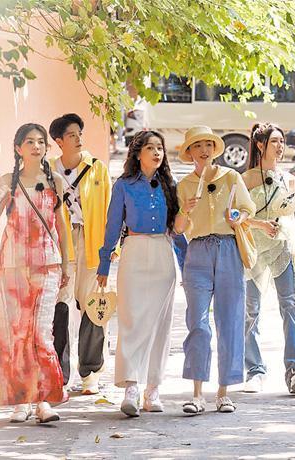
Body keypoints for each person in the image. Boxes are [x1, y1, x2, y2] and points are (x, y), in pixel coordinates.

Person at [0, 123, 70, 423]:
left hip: (47, 263)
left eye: (41, 141)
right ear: (19, 148)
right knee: (16, 334)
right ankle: (21, 400)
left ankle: (43, 400)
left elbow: (61, 226)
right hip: (13, 265)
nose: (37, 146)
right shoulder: (8, 182)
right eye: (30, 141)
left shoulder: (55, 181)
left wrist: (67, 264)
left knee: (42, 333)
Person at [96, 130, 184, 417]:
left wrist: (188, 266)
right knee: (131, 320)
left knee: (160, 325)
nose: (157, 152)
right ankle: (130, 387)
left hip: (162, 252)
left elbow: (178, 229)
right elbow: (112, 225)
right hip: (133, 250)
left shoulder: (169, 184)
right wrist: (104, 265)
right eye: (150, 147)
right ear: (137, 153)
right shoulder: (123, 185)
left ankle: (153, 389)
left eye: (160, 148)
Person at [175, 126, 256, 414]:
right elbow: (178, 229)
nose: (205, 150)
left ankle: (223, 392)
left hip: (228, 249)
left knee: (230, 319)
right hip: (196, 252)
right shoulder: (184, 185)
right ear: (190, 152)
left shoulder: (231, 177)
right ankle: (197, 393)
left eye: (209, 144)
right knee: (197, 321)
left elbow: (248, 208)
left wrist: (238, 217)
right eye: (198, 145)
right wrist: (185, 209)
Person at [241, 123, 295, 394]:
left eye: (282, 141)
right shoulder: (246, 179)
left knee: (289, 307)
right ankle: (255, 370)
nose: (280, 147)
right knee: (250, 313)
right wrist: (260, 225)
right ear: (261, 145)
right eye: (275, 142)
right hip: (254, 250)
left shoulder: (288, 179)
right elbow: (237, 217)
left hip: (281, 249)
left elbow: (289, 219)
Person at [48, 113, 112, 395]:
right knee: (59, 307)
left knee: (94, 306)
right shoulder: (48, 171)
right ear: (59, 141)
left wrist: (111, 251)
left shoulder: (97, 168)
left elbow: (111, 210)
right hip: (61, 243)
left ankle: (90, 373)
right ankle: (59, 375)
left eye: (79, 133)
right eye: (71, 135)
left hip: (92, 240)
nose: (78, 138)